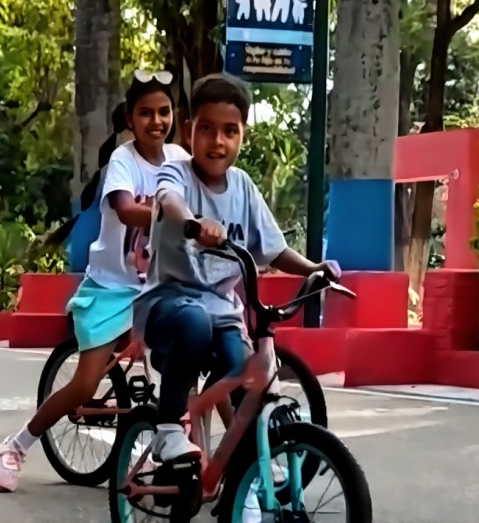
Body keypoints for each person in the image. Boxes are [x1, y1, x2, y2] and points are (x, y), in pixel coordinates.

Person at [0, 70, 190, 492]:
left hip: (159, 286)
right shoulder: (122, 161)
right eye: (146, 113)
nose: (156, 121)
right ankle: (17, 445)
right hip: (112, 290)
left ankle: (234, 460)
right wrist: (176, 217)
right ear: (130, 119)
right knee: (84, 384)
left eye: (164, 111)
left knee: (203, 352)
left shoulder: (179, 158)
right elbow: (125, 208)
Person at [134, 73, 341, 462]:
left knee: (243, 368)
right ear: (189, 130)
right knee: (194, 323)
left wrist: (314, 268)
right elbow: (168, 200)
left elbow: (274, 249)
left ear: (243, 134)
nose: (218, 141)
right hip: (168, 306)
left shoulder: (243, 186)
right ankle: (167, 429)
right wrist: (195, 223)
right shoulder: (177, 172)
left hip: (223, 314)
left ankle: (245, 466)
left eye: (230, 131)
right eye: (207, 129)